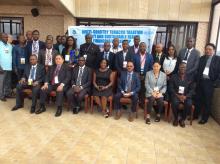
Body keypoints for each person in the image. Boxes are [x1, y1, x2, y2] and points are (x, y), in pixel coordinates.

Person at [196, 43, 220, 124]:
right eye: (206, 49)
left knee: (207, 101)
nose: (208, 51)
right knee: (198, 99)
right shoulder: (202, 58)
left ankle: (204, 118)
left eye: (210, 49)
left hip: (210, 83)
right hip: (200, 81)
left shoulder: (218, 59)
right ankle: (196, 115)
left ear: (214, 50)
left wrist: (215, 83)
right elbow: (198, 70)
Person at [169, 62, 195, 127]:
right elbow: (171, 88)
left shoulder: (190, 78)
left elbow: (192, 90)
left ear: (186, 68)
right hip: (176, 95)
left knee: (189, 103)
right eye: (181, 67)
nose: (183, 68)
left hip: (186, 96)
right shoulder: (173, 76)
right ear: (178, 68)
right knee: (174, 102)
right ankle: (176, 118)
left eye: (184, 67)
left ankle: (182, 119)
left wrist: (186, 96)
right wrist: (178, 96)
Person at [133, 42, 153, 106]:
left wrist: (146, 75)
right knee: (137, 89)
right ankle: (136, 103)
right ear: (139, 47)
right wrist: (136, 75)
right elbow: (133, 66)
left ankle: (142, 104)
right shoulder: (135, 56)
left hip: (146, 76)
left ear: (146, 47)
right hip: (136, 75)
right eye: (141, 46)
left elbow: (150, 67)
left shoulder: (150, 56)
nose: (142, 48)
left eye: (144, 46)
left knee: (144, 90)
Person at [0, 33, 13, 101]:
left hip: (9, 67)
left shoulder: (10, 46)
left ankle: (7, 94)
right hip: (2, 68)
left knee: (8, 82)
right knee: (1, 82)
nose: (6, 38)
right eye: (4, 37)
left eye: (7, 37)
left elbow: (10, 56)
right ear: (1, 37)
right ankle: (1, 96)